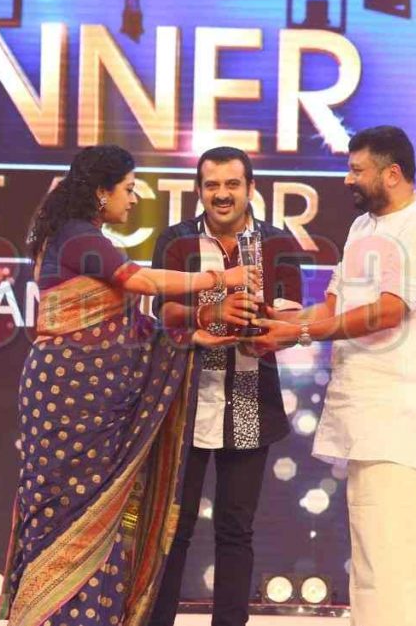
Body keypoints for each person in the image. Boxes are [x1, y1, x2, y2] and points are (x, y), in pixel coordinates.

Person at [0, 145, 256, 626]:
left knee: (109, 509)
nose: (133, 199)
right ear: (102, 192)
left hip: (123, 402)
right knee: (63, 504)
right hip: (70, 396)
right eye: (129, 189)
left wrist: (191, 334)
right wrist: (220, 279)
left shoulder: (80, 236)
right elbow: (139, 282)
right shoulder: (79, 236)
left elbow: (126, 328)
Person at [244, 126, 416, 626]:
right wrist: (277, 323)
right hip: (368, 413)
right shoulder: (363, 228)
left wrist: (299, 334)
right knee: (373, 549)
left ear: (392, 174)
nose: (348, 179)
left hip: (409, 418)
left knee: (410, 551)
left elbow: (388, 311)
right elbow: (332, 308)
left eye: (357, 170)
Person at [146, 146, 307, 626]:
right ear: (199, 190)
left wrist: (264, 323)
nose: (222, 194)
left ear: (250, 188)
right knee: (173, 528)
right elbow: (162, 313)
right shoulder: (176, 241)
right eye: (212, 185)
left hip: (251, 399)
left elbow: (292, 317)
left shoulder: (277, 243)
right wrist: (209, 312)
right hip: (184, 400)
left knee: (236, 529)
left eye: (232, 184)